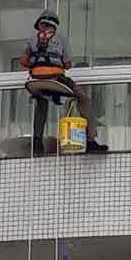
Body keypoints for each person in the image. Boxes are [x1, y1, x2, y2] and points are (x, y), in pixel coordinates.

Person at [20, 11, 109, 154]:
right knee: (83, 98)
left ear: (40, 24)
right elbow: (67, 64)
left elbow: (23, 61)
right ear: (55, 26)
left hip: (36, 80)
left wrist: (37, 65)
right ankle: (90, 140)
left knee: (41, 101)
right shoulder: (62, 39)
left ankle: (37, 143)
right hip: (56, 78)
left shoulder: (32, 40)